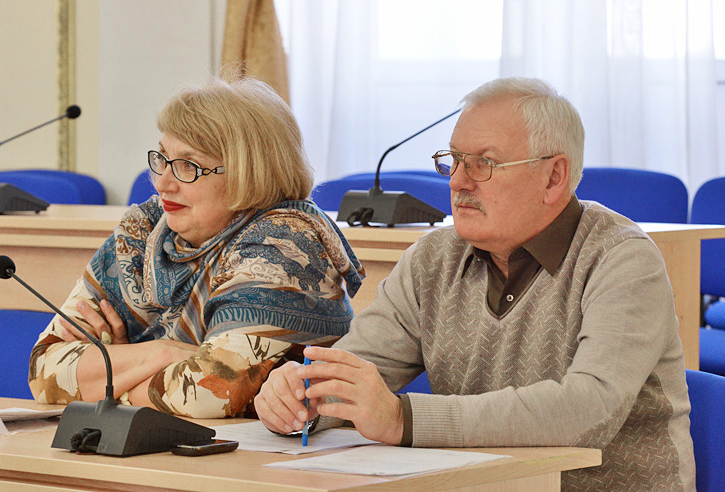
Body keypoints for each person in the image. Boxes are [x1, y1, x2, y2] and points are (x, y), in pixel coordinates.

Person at [255, 77, 694, 491]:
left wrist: (402, 419)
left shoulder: (621, 258)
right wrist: (298, 398)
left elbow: (589, 408)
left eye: (485, 163)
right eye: (455, 159)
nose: (458, 181)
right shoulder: (432, 259)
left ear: (554, 177)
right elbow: (350, 374)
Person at [28, 75, 364, 419]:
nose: (162, 183)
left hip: (266, 451)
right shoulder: (146, 229)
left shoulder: (284, 242)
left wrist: (107, 379)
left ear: (248, 172)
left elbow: (206, 392)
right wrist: (160, 353)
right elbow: (43, 373)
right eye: (162, 158)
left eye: (188, 165)